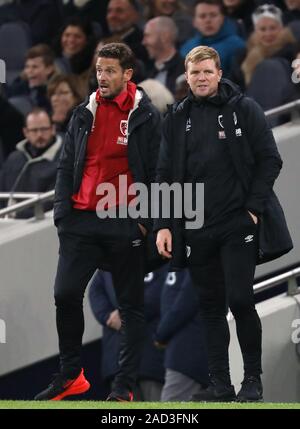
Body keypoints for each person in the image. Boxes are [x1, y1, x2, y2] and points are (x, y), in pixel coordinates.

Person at [155, 46, 292, 402]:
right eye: (194, 73)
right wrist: (165, 225)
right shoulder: (175, 118)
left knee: (241, 299)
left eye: (206, 72)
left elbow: (270, 160)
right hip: (196, 228)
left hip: (237, 223)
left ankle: (252, 380)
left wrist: (252, 209)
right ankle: (221, 384)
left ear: (219, 73)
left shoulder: (243, 109)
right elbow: (164, 175)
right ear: (186, 76)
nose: (200, 78)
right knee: (210, 307)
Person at [34, 42, 161, 402]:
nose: (101, 77)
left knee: (131, 305)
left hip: (124, 221)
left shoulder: (146, 116)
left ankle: (124, 386)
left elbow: (157, 172)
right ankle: (71, 375)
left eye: (109, 71)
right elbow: (66, 165)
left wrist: (143, 223)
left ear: (127, 74)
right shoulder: (83, 112)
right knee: (65, 294)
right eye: (98, 70)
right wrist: (62, 213)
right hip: (80, 222)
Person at [88, 268, 166, 401]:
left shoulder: (159, 254)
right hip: (118, 359)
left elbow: (162, 290)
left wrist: (127, 315)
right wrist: (107, 316)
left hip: (150, 357)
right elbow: (95, 291)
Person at [154, 269, 209, 402]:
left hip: (188, 354)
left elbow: (184, 305)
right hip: (179, 352)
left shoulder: (196, 259)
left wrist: (161, 334)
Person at [0, 108, 62, 218]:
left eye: (44, 129)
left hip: (39, 224)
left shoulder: (64, 160)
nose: (39, 135)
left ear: (53, 129)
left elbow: (51, 203)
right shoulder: (14, 158)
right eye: (34, 130)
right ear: (26, 132)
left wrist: (15, 214)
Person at [180, 0, 245, 76]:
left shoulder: (237, 45)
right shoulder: (186, 48)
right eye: (202, 16)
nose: (208, 20)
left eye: (213, 15)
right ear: (194, 22)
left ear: (222, 19)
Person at [142, 16, 185, 94]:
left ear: (164, 36)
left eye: (147, 35)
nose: (143, 42)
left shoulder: (186, 72)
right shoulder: (146, 71)